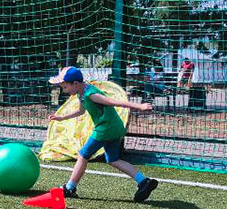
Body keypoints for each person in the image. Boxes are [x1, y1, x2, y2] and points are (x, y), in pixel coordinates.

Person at [47, 66, 159, 202]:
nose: (64, 90)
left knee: (83, 155)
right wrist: (61, 118)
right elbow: (81, 111)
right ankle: (144, 181)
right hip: (114, 128)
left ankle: (70, 188)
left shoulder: (91, 94)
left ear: (75, 83)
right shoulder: (81, 94)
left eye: (65, 87)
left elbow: (115, 102)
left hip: (105, 129)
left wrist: (139, 106)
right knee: (113, 159)